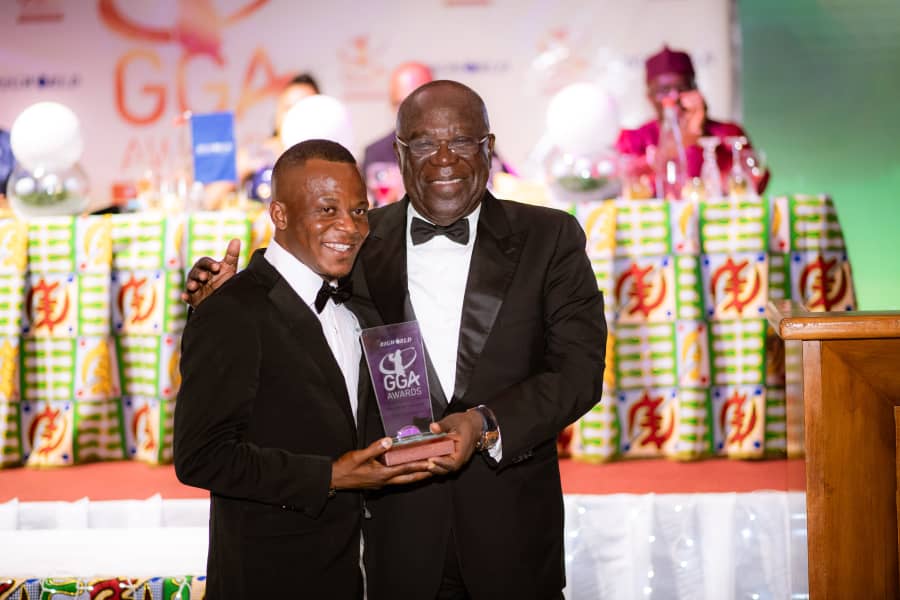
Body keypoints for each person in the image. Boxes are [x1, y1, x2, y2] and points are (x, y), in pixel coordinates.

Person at [185, 80, 608, 600]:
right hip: (391, 543)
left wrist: (484, 424)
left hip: (513, 536)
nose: (444, 160)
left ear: (490, 147)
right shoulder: (359, 238)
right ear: (401, 152)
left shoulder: (551, 238)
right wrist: (222, 298)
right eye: (425, 144)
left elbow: (579, 372)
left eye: (463, 142)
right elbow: (284, 299)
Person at [173, 139, 433, 599]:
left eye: (359, 211)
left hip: (357, 574)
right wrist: (330, 476)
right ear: (279, 214)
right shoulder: (231, 310)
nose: (349, 227)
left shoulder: (361, 310)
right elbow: (202, 457)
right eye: (327, 209)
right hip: (269, 578)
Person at [616, 45, 770, 195]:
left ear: (696, 90)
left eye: (683, 88)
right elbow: (622, 183)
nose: (675, 96)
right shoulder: (634, 139)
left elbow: (754, 186)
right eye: (664, 90)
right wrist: (679, 142)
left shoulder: (728, 134)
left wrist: (700, 134)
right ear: (649, 97)